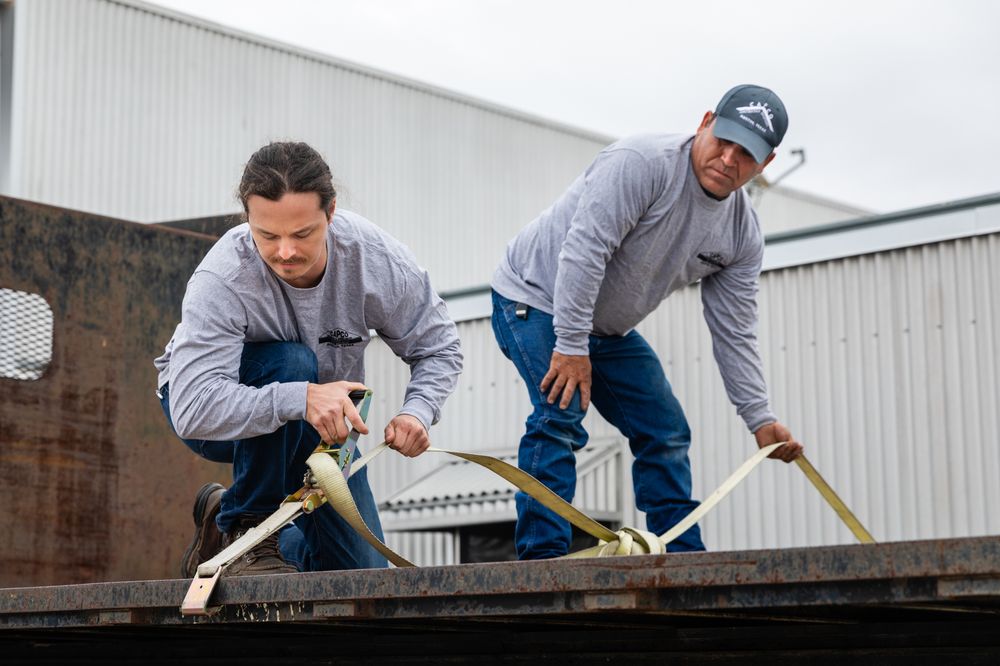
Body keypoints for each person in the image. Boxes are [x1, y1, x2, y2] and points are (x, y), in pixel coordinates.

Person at [490, 84, 804, 560]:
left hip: (606, 330)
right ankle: (541, 561)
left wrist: (759, 418)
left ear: (766, 163)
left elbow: (734, 331)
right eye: (724, 140)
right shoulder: (641, 162)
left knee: (666, 429)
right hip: (534, 297)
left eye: (746, 154)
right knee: (560, 412)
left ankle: (683, 557)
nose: (727, 159)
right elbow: (584, 251)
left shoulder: (741, 234)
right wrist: (571, 346)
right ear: (704, 122)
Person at [155, 141, 463, 576]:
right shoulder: (223, 276)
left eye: (302, 234)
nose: (285, 252)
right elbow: (193, 409)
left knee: (361, 577)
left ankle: (255, 535)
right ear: (248, 219)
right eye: (267, 235)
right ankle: (247, 529)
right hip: (210, 412)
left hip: (326, 426)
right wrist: (299, 398)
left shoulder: (374, 261)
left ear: (330, 213)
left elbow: (438, 346)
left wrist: (419, 412)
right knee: (293, 362)